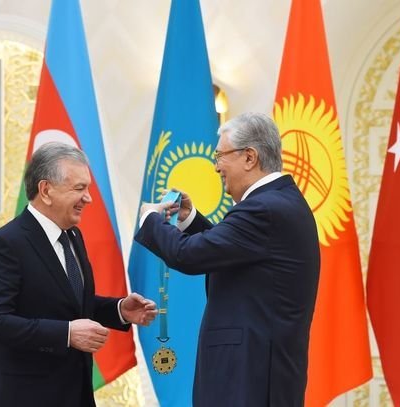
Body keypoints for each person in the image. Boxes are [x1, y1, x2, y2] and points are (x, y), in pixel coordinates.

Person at [135, 112, 320, 406]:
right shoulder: (277, 202)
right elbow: (231, 252)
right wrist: (190, 219)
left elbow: (188, 256)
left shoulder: (264, 209)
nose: (216, 166)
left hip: (249, 380)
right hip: (254, 376)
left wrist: (149, 218)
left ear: (249, 157)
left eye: (220, 156)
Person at [0, 142, 157, 407]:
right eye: (79, 188)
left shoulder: (73, 235)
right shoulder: (6, 243)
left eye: (88, 188)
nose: (88, 198)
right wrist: (66, 334)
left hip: (75, 394)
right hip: (25, 397)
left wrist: (118, 309)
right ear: (46, 190)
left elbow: (68, 303)